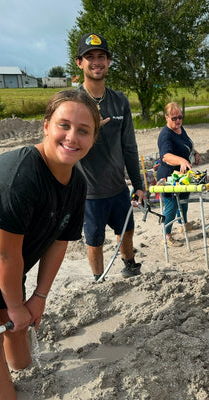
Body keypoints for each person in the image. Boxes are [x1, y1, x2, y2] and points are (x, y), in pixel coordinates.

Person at [0, 89, 100, 400]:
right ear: (46, 126)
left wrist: (37, 298)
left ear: (93, 138)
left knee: (17, 321)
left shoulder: (77, 183)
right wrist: (16, 305)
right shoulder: (18, 178)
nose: (72, 137)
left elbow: (59, 242)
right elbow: (4, 254)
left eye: (83, 130)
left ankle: (22, 372)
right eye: (64, 125)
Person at [75, 32, 145, 280]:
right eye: (90, 57)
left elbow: (129, 146)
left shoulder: (119, 101)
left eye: (101, 56)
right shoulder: (73, 102)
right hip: (88, 192)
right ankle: (99, 279)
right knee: (94, 239)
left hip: (117, 187)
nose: (96, 62)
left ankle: (130, 265)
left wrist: (138, 184)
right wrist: (91, 132)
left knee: (127, 229)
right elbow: (62, 149)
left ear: (109, 61)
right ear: (79, 62)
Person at [157, 102, 200, 246]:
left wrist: (194, 153)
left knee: (184, 201)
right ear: (166, 118)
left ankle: (184, 224)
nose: (178, 120)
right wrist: (181, 160)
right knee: (172, 205)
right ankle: (167, 235)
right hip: (169, 176)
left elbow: (186, 144)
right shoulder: (165, 135)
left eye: (180, 117)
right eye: (174, 118)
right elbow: (165, 156)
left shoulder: (180, 129)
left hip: (183, 175)